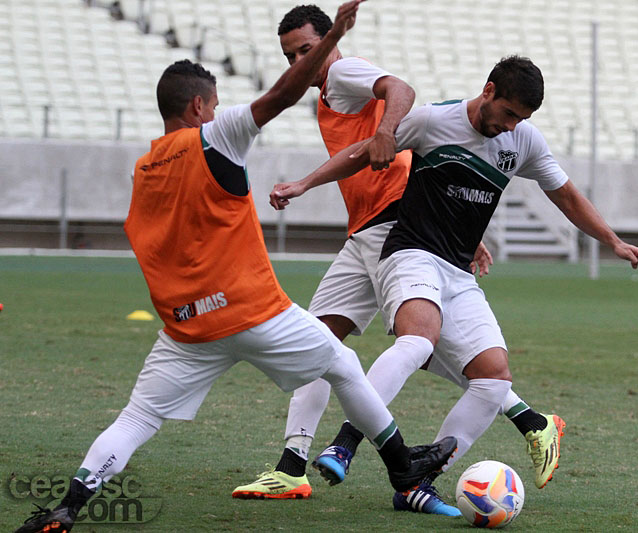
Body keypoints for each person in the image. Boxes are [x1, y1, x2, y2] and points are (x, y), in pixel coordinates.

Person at [13, 3, 458, 532]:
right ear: (201, 105)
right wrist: (335, 33)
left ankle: (66, 508)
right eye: (217, 102)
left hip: (187, 328)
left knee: (135, 419)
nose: (221, 108)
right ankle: (404, 470)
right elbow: (280, 96)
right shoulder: (216, 134)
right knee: (341, 363)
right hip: (252, 311)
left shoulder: (144, 168)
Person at [269, 54, 638, 510]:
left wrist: (613, 241)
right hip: (411, 254)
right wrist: (305, 183)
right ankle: (346, 443)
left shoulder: (523, 140)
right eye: (510, 113)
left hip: (458, 272)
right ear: (488, 90)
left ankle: (418, 482)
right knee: (419, 341)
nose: (513, 126)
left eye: (523, 119)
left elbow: (567, 195)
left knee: (493, 378)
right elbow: (362, 152)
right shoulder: (434, 121)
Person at [231, 5, 565, 516]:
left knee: (388, 345)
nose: (302, 60)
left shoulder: (341, 71)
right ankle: (527, 420)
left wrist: (385, 132)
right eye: (292, 55)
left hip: (393, 230)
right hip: (374, 230)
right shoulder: (325, 92)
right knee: (377, 346)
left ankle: (311, 460)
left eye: (307, 48)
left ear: (329, 42)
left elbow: (401, 95)